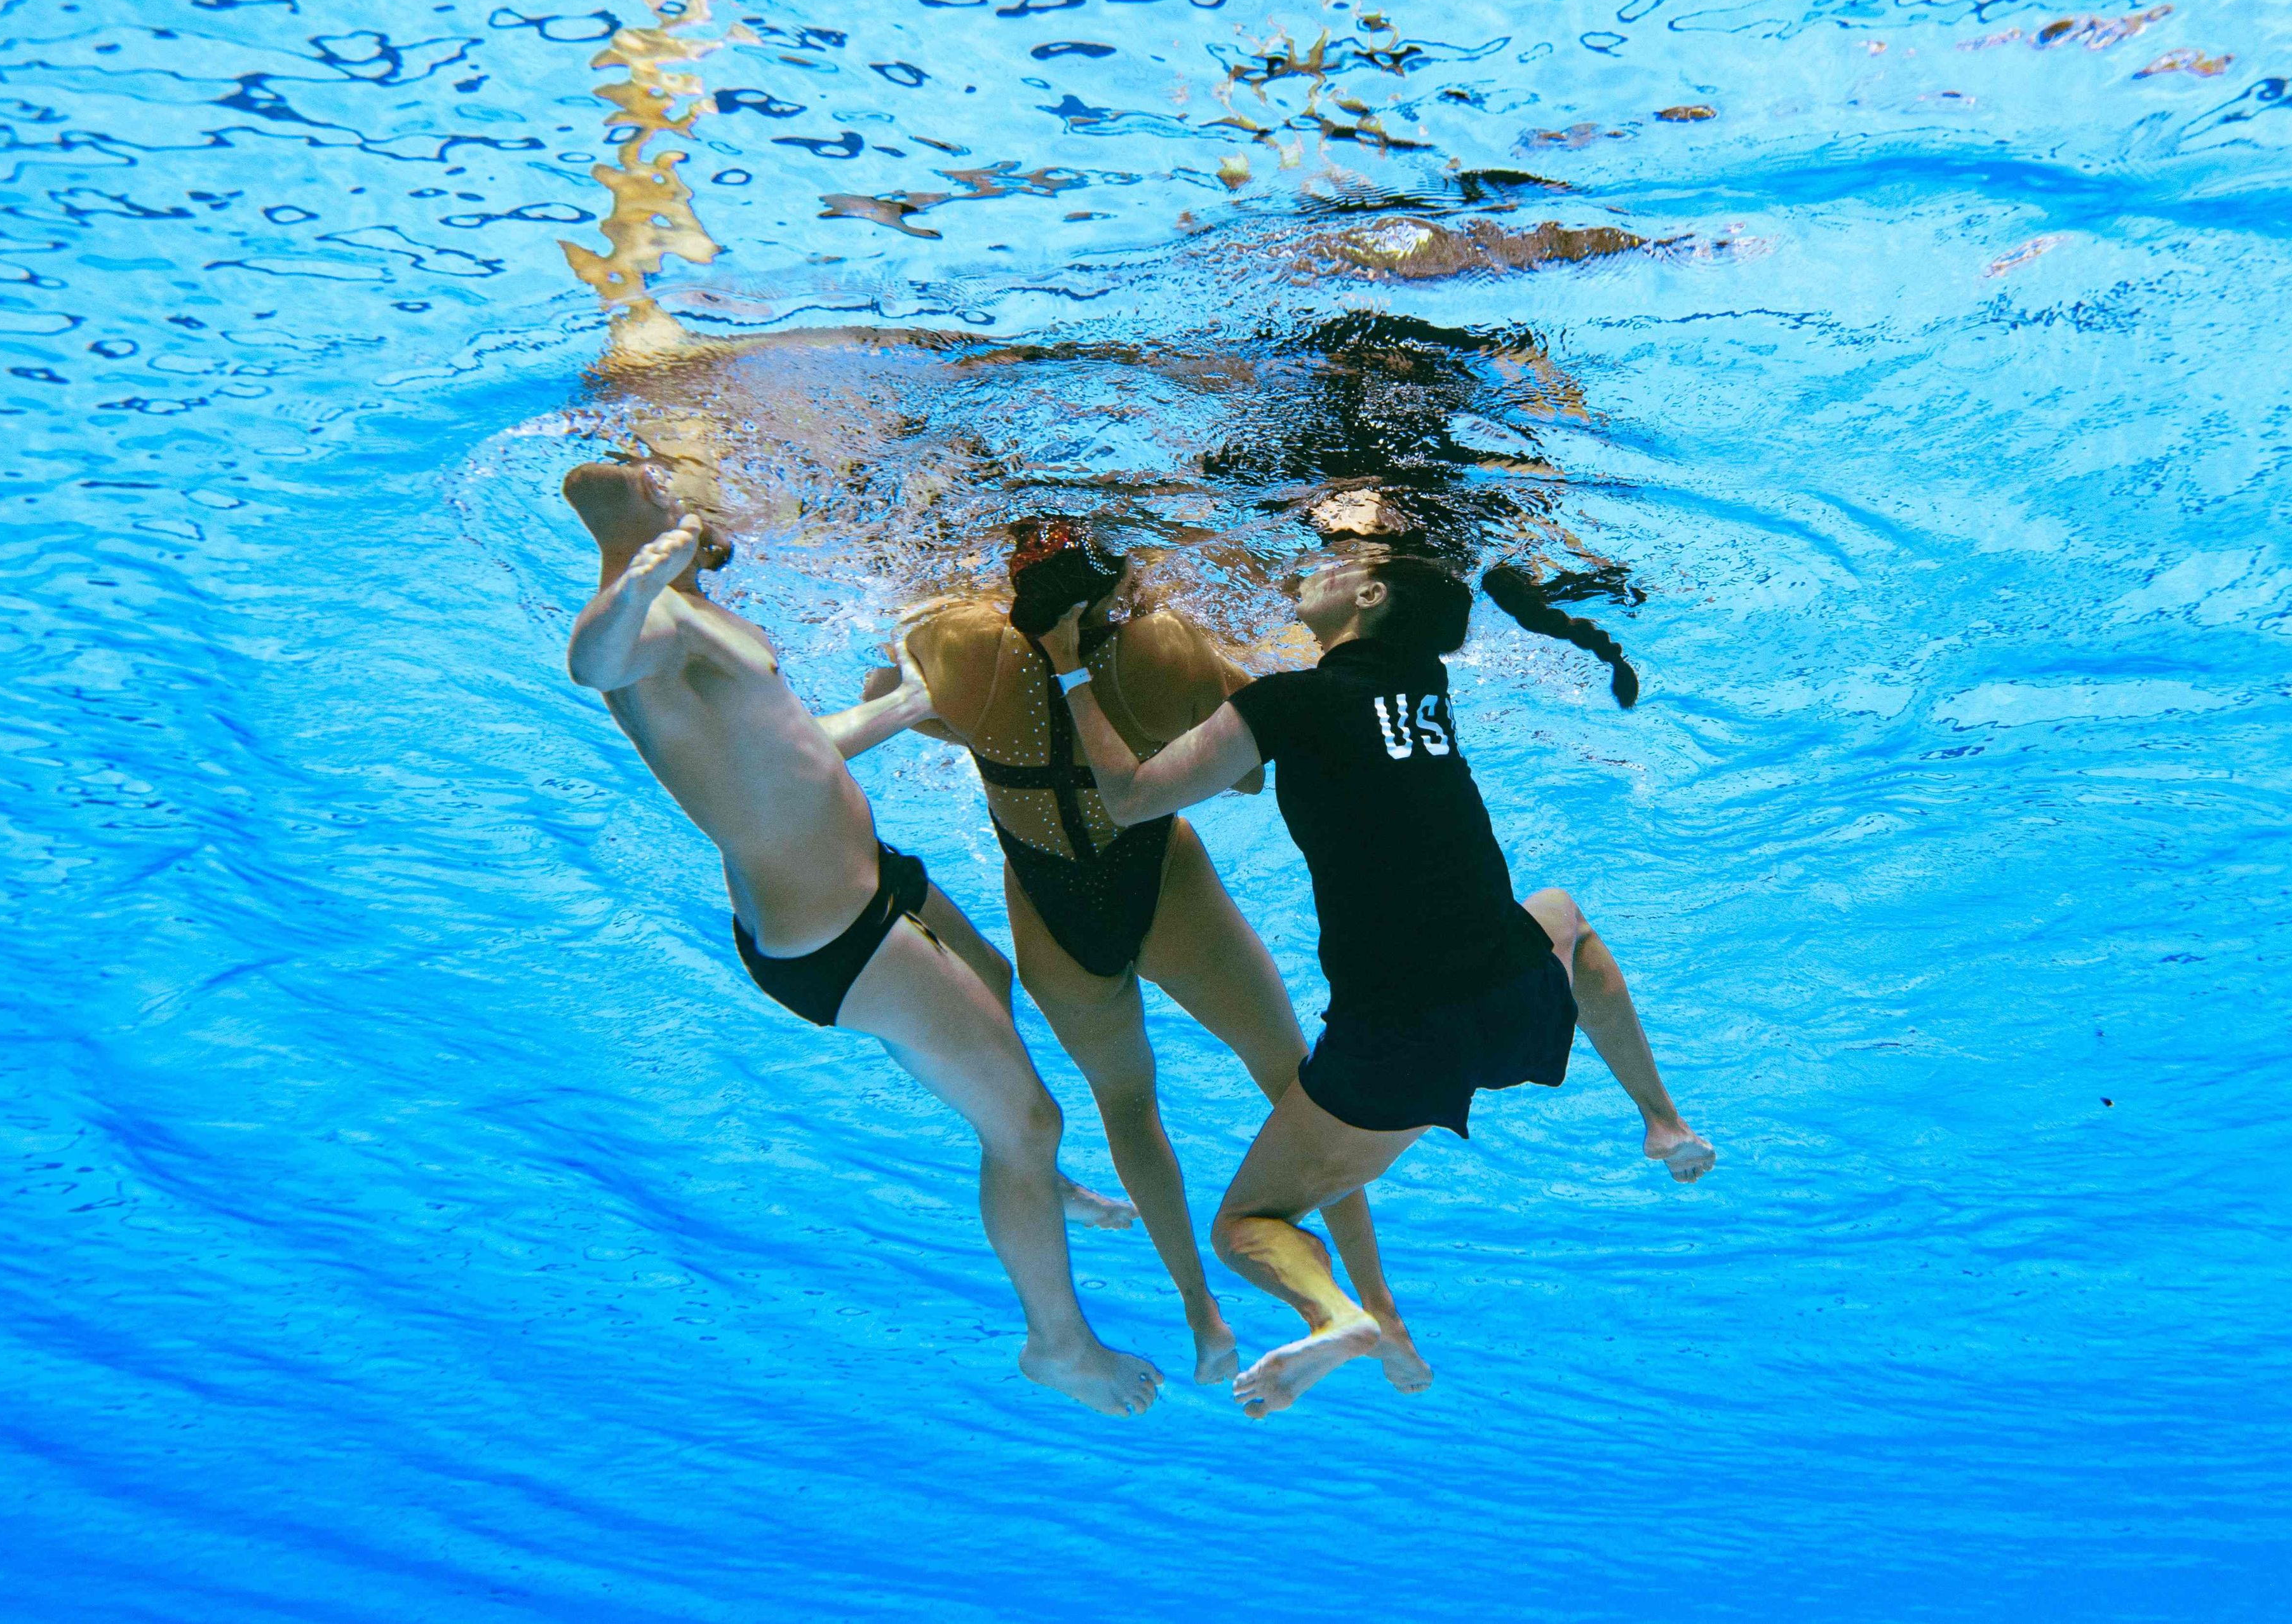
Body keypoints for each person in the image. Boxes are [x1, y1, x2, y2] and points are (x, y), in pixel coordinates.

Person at [1035, 542, 1716, 1418]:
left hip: (1396, 1048)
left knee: (1244, 1230)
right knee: (1563, 916)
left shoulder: (1291, 703)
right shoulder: (1428, 697)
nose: (1313, 564)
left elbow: (1130, 796)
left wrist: (1067, 671)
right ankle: (1663, 1123)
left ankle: (1337, 1317)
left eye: (1337, 559)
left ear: (1371, 592)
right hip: (1508, 995)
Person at [557, 460, 1162, 1417]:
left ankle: (1042, 1184)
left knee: (993, 979)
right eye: (658, 485)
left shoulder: (691, 608)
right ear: (637, 516)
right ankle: (1058, 1344)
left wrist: (906, 704)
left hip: (865, 882)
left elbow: (790, 747)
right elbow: (591, 663)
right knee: (1027, 1122)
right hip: (838, 936)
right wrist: (632, 573)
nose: (679, 487)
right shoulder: (650, 622)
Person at [876, 518, 1432, 1391]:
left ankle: (1203, 1318)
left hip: (1051, 907)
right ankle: (1371, 1303)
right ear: (1117, 585)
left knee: (1128, 1109)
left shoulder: (962, 645)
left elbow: (896, 701)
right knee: (1294, 1077)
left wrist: (986, 731)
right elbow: (1249, 771)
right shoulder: (1160, 650)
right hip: (1161, 880)